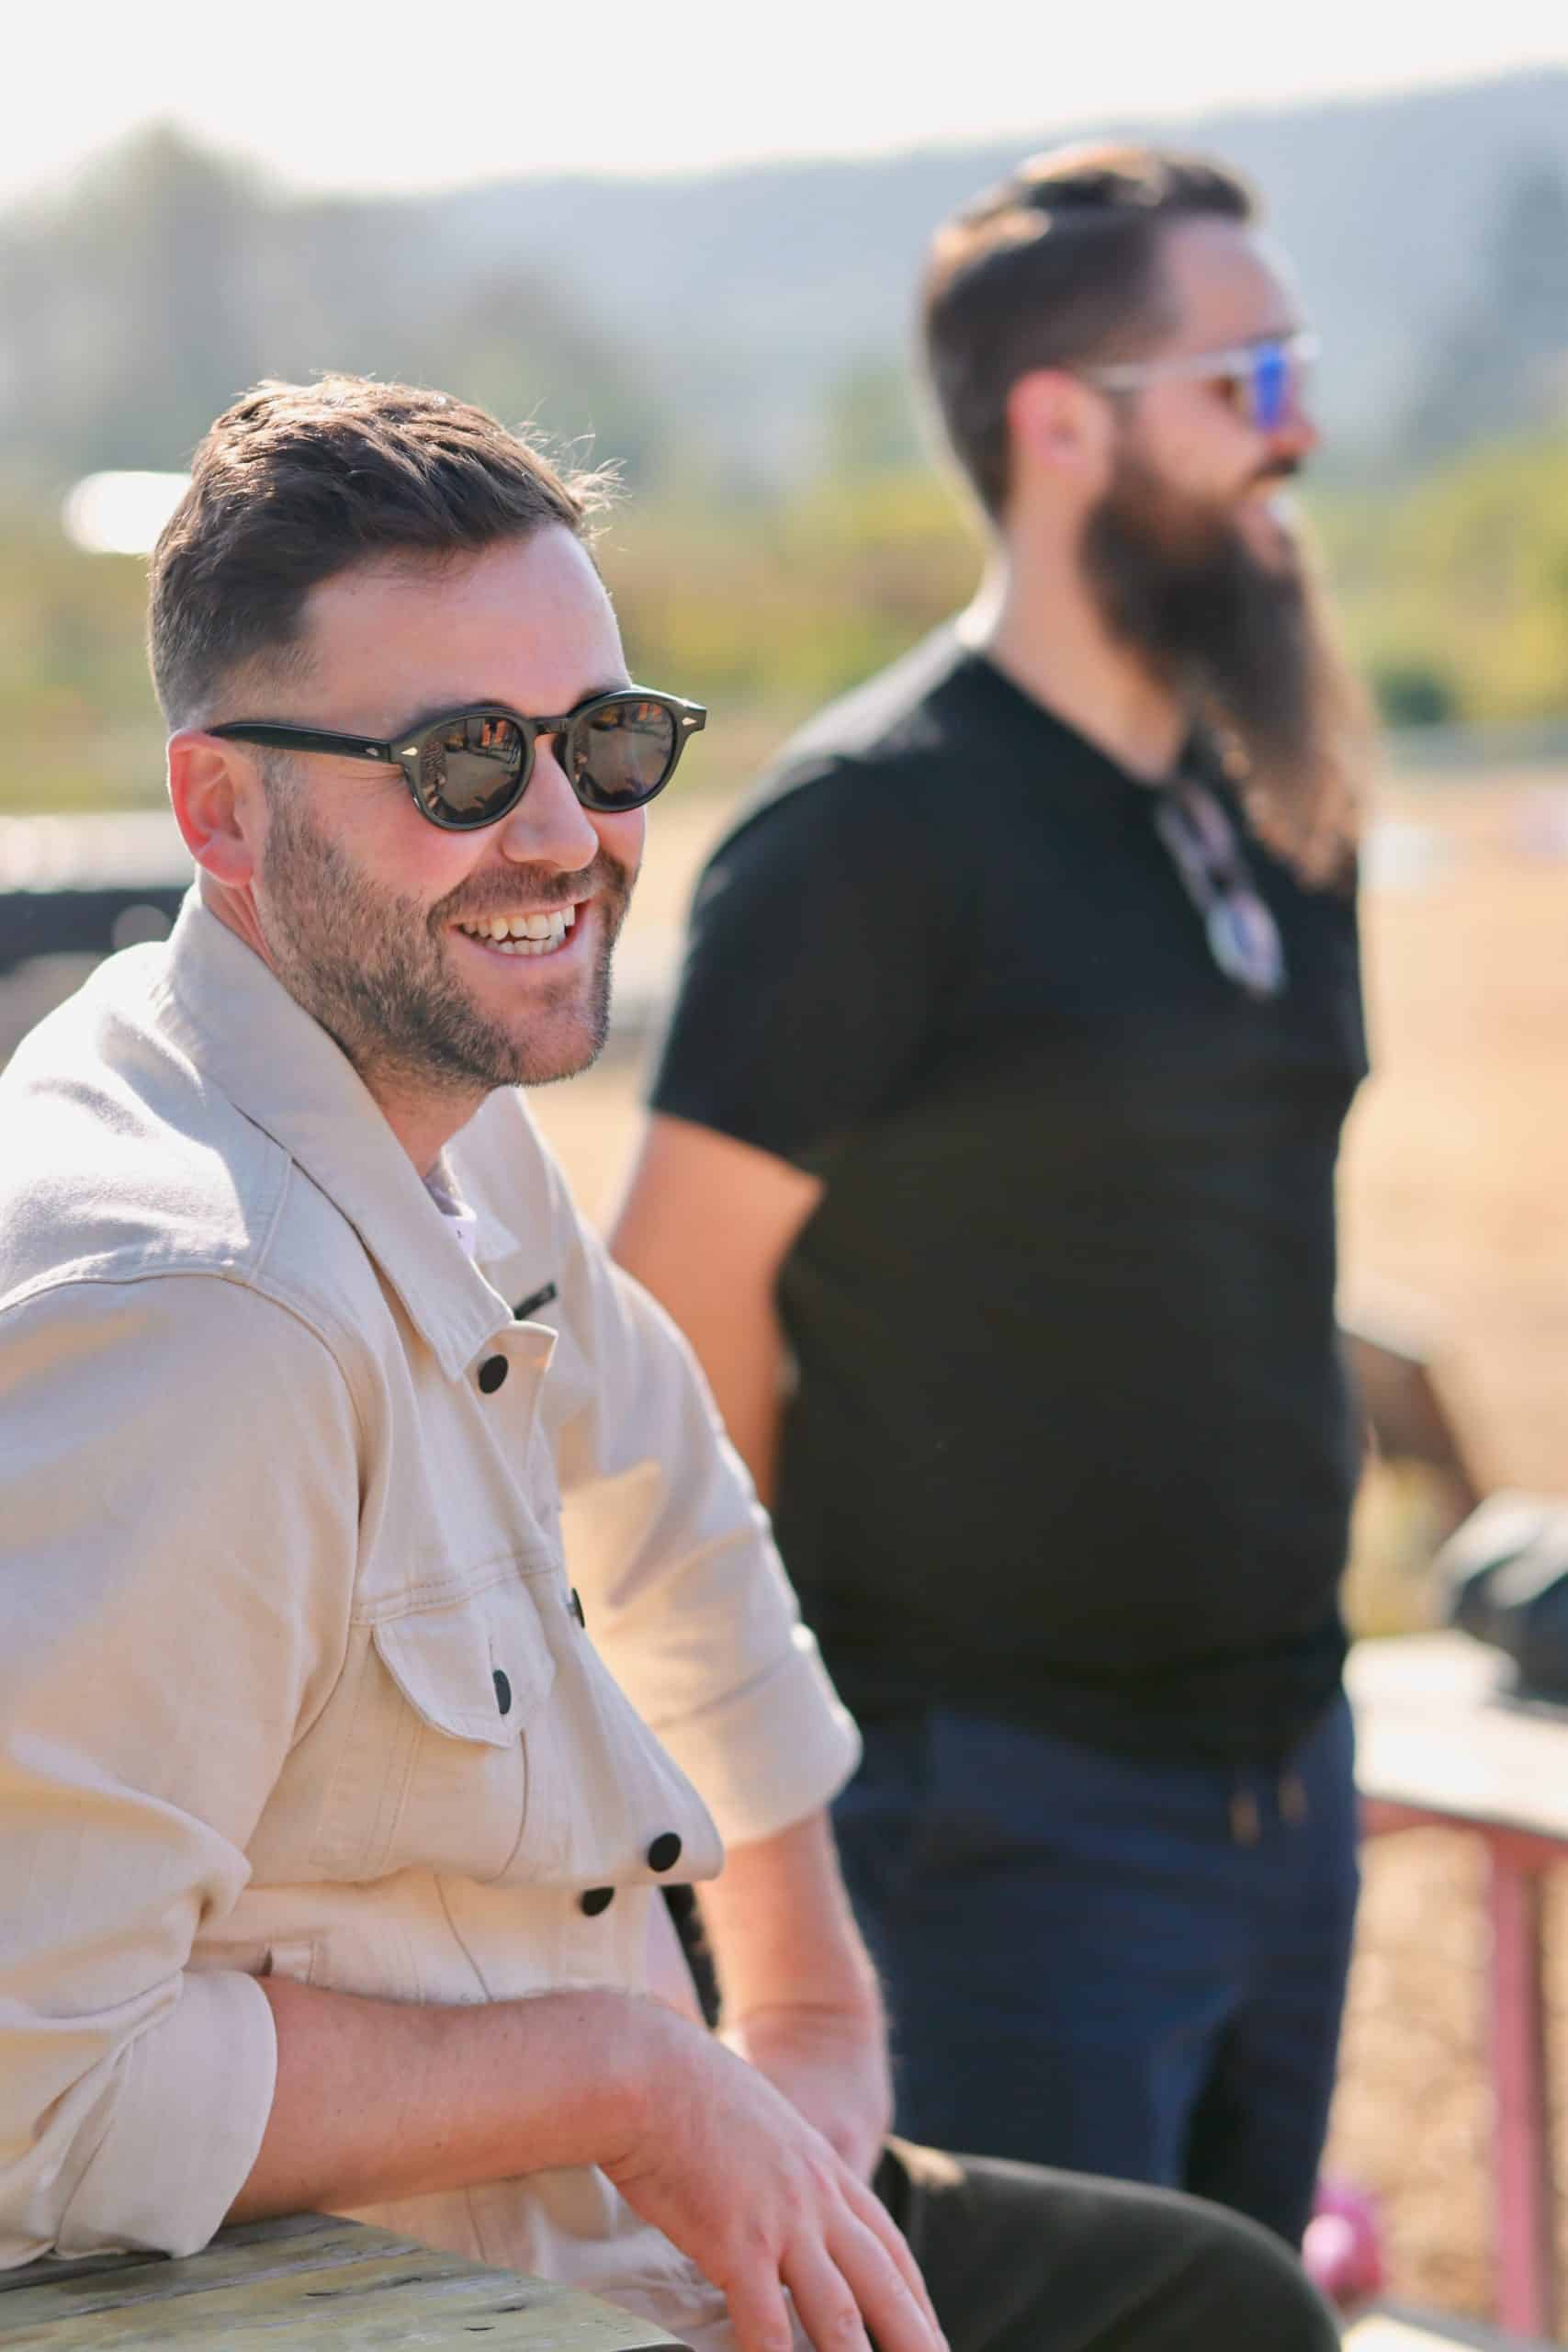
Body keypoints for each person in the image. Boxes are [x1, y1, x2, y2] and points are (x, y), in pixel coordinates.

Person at [0, 374, 1337, 2352]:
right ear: (220, 811)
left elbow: (667, 1498)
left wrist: (804, 2008)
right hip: (423, 2288)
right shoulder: (205, 1319)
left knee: (1213, 2298)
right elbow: (33, 2089)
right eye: (461, 760)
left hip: (623, 2203)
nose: (566, 834)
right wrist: (630, 2079)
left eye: (607, 739)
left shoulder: (411, 1095)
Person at [613, 144, 1372, 2252]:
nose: (1296, 429)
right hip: (991, 1832)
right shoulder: (868, 834)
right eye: (1247, 377)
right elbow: (665, 1328)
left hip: (1284, 1788)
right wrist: (771, 1802)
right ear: (1061, 424)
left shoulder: (1265, 792)